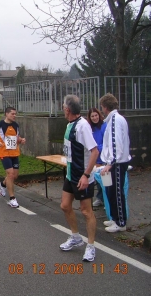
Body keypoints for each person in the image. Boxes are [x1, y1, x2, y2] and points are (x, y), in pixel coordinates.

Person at [58, 95, 99, 262]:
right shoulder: (70, 124)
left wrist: (86, 175)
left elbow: (95, 151)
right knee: (65, 205)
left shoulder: (83, 126)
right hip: (71, 174)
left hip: (82, 177)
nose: (62, 109)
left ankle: (91, 246)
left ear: (67, 109)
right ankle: (75, 237)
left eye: (63, 107)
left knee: (86, 211)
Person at [99, 93, 131, 233]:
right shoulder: (113, 119)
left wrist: (110, 163)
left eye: (101, 107)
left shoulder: (115, 120)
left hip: (116, 163)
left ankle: (121, 221)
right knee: (110, 190)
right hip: (112, 162)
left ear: (105, 107)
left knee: (117, 192)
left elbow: (115, 143)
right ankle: (114, 218)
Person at [0, 107, 26, 208]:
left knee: (15, 176)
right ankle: (12, 199)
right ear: (6, 114)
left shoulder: (16, 125)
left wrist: (21, 140)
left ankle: (2, 185)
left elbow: (16, 138)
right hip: (4, 153)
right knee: (10, 174)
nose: (14, 116)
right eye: (12, 114)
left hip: (15, 153)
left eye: (15, 114)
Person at [86, 108, 107, 207]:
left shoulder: (104, 126)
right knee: (98, 181)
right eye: (92, 116)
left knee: (106, 181)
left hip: (104, 158)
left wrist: (96, 148)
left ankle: (107, 200)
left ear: (99, 115)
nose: (95, 118)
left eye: (96, 115)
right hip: (95, 158)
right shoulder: (90, 128)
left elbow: (106, 143)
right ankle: (100, 198)